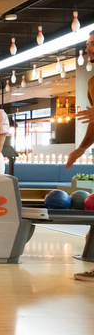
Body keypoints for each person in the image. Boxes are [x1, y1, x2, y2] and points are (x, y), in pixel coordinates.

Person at [67, 29, 94, 281]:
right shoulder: (91, 82)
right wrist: (82, 148)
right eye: (87, 44)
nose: (88, 49)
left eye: (93, 44)